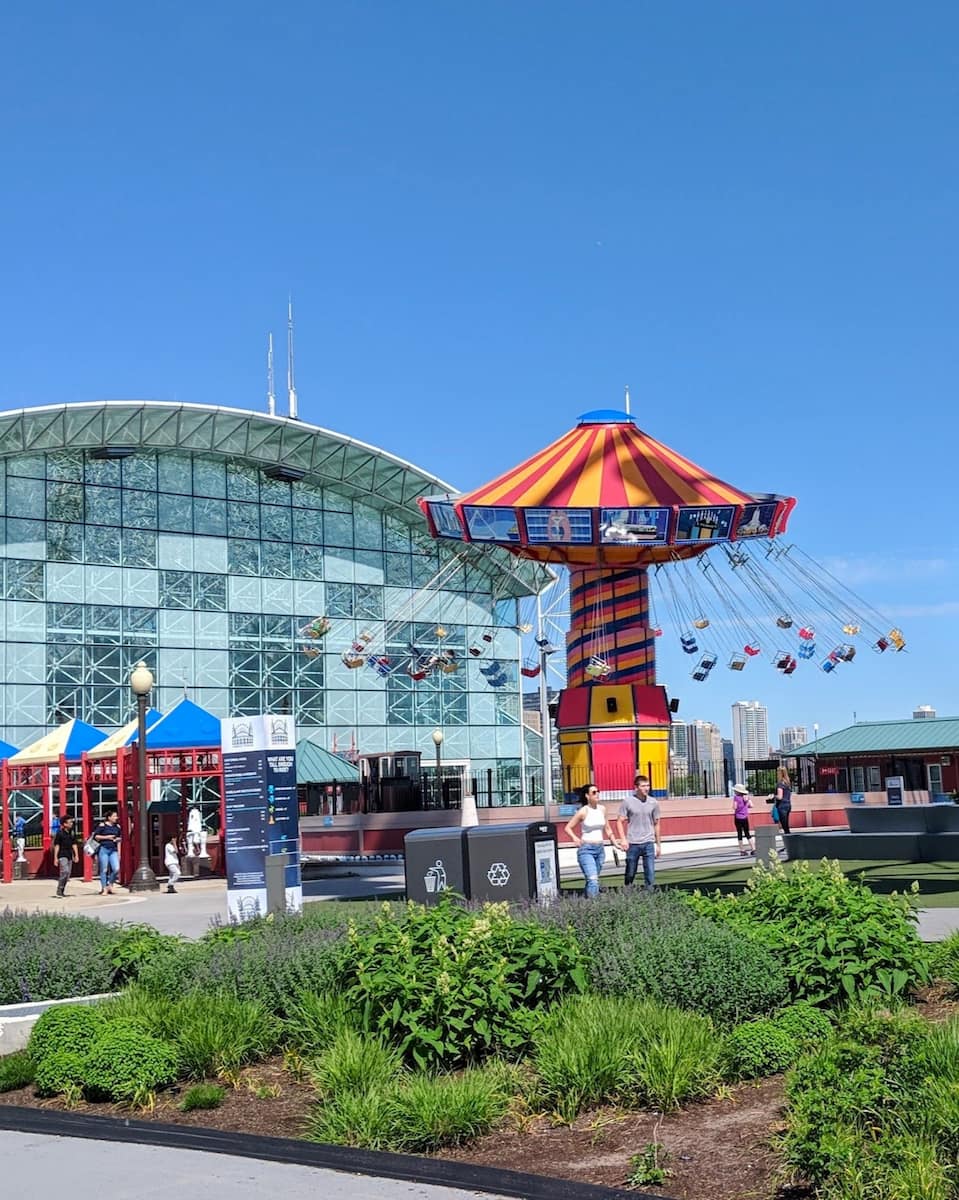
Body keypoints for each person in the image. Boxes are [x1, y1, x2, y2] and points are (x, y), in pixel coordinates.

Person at [564, 783, 621, 898]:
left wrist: (615, 843)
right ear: (587, 796)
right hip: (587, 849)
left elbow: (608, 828)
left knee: (592, 880)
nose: (597, 794)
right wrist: (575, 838)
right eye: (594, 792)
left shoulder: (602, 809)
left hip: (600, 849)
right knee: (593, 880)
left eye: (598, 791)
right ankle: (593, 906)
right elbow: (568, 827)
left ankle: (586, 904)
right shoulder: (583, 811)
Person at [615, 774, 662, 889]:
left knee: (650, 873)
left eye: (648, 785)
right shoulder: (628, 802)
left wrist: (658, 844)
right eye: (643, 786)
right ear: (636, 787)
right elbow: (619, 821)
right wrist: (623, 840)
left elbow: (657, 823)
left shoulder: (653, 802)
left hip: (648, 842)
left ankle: (650, 895)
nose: (646, 788)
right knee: (631, 872)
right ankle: (628, 892)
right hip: (633, 843)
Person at [93, 808, 122, 895]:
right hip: (104, 849)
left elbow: (120, 838)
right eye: (114, 816)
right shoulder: (102, 826)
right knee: (104, 869)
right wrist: (107, 837)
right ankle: (104, 888)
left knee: (116, 869)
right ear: (109, 817)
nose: (116, 818)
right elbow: (96, 836)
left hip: (113, 850)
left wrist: (117, 841)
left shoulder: (117, 827)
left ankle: (110, 884)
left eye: (116, 816)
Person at [52, 815, 78, 897]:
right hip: (62, 854)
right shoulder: (59, 833)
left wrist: (76, 855)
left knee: (68, 874)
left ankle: (62, 890)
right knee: (65, 871)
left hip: (69, 854)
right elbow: (57, 845)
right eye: (70, 822)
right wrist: (55, 858)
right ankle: (59, 889)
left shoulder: (72, 832)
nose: (71, 824)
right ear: (64, 824)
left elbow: (74, 844)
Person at [732, 784, 754, 856]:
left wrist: (738, 807)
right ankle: (753, 848)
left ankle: (742, 850)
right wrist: (745, 805)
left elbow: (734, 807)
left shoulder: (736, 798)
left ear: (738, 791)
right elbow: (751, 805)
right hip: (745, 817)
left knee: (739, 833)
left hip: (738, 817)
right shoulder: (747, 797)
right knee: (747, 833)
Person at [774, 767, 793, 835]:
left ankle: (789, 841)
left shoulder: (780, 784)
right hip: (788, 804)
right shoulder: (787, 783)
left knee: (785, 826)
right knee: (786, 825)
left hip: (782, 806)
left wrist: (773, 796)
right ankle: (789, 840)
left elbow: (780, 797)